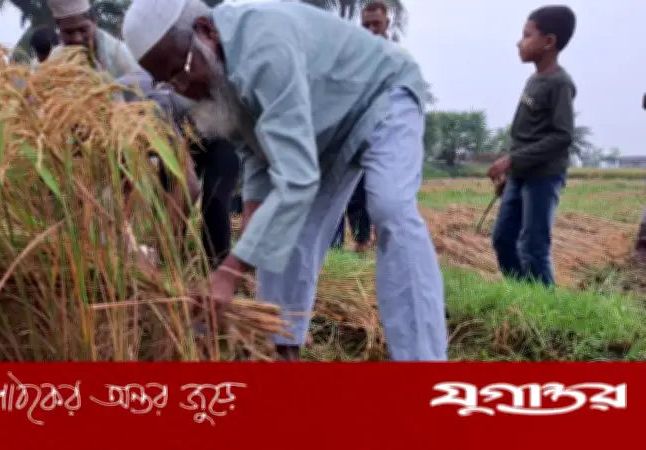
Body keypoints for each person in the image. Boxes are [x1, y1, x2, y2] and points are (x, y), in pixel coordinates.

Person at [122, 0, 447, 361]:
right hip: (323, 131)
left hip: (382, 94)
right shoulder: (217, 74)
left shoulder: (264, 48)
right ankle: (280, 349)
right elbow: (254, 150)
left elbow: (297, 180)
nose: (182, 87)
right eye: (169, 82)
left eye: (181, 70)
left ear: (206, 31)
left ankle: (423, 362)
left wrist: (230, 271)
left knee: (391, 208)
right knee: (282, 232)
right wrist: (252, 218)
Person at [486, 5, 577, 287]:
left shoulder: (560, 84)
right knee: (502, 239)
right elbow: (527, 133)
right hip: (520, 175)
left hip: (543, 177)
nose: (519, 42)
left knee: (533, 247)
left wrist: (512, 160)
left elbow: (562, 136)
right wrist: (512, 169)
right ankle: (522, 297)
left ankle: (544, 312)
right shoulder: (534, 79)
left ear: (548, 42)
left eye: (526, 35)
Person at [117, 71, 241, 268]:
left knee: (214, 201)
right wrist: (124, 244)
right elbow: (122, 185)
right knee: (167, 198)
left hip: (218, 131)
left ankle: (217, 274)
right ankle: (171, 267)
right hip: (180, 131)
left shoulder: (149, 111)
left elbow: (189, 187)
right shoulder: (107, 121)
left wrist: (161, 250)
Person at [331, 0, 391, 252]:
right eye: (365, 24)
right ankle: (349, 246)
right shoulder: (351, 57)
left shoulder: (395, 59)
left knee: (376, 196)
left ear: (387, 23)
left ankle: (373, 246)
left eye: (376, 24)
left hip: (382, 139)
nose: (370, 29)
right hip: (352, 136)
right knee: (348, 195)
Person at [46, 0, 141, 80]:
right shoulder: (54, 60)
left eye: (83, 30)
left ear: (94, 22)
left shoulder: (120, 55)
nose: (77, 39)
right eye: (68, 32)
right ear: (59, 31)